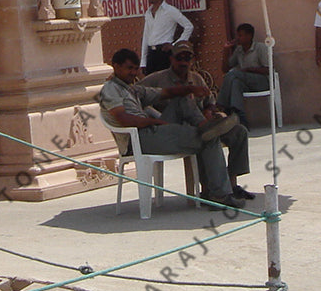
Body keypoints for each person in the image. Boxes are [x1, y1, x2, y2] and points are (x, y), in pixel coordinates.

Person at [98, 48, 244, 208]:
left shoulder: (132, 89)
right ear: (116, 67)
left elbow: (165, 93)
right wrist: (153, 122)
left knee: (182, 100)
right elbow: (123, 119)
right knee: (209, 138)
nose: (133, 73)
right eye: (129, 68)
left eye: (135, 68)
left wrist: (190, 89)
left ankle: (204, 126)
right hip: (139, 139)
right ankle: (220, 195)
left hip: (151, 132)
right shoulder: (110, 89)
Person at [142, 41, 254, 201]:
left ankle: (231, 183)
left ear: (192, 60)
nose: (183, 62)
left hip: (202, 121)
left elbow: (210, 102)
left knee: (239, 132)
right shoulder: (157, 79)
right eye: (179, 58)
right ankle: (209, 189)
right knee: (204, 134)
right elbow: (136, 94)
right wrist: (152, 117)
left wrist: (209, 112)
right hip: (175, 127)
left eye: (187, 58)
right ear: (172, 59)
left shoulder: (196, 78)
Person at [217, 23, 271, 128]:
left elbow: (268, 70)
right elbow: (225, 69)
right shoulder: (239, 51)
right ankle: (240, 117)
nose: (238, 38)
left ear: (249, 36)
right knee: (235, 82)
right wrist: (226, 50)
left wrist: (249, 70)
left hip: (262, 81)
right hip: (246, 82)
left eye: (240, 35)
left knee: (234, 74)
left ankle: (221, 106)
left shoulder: (260, 48)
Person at [139, 0, 194, 74]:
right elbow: (146, 36)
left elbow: (189, 26)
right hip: (151, 52)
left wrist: (174, 45)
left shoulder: (170, 10)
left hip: (164, 51)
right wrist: (143, 61)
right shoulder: (148, 12)